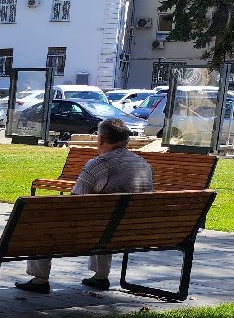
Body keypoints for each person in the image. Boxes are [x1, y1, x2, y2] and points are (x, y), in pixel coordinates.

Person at [16, 118, 152, 293]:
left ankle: (40, 279)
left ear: (101, 140)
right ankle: (100, 277)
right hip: (136, 231)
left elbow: (74, 202)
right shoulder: (144, 165)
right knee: (108, 221)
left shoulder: (98, 165)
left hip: (94, 232)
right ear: (126, 140)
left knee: (41, 221)